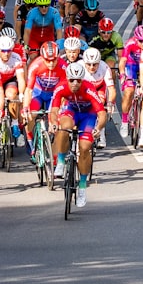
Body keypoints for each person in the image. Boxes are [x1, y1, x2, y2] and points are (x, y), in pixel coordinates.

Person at [50, 63, 108, 208]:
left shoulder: (89, 88)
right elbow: (54, 110)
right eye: (72, 80)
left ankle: (82, 186)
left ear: (82, 80)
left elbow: (101, 113)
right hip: (71, 111)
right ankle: (61, 161)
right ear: (67, 78)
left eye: (78, 80)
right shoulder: (61, 87)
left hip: (88, 115)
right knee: (64, 127)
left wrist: (99, 128)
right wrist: (53, 123)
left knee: (85, 147)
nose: (75, 83)